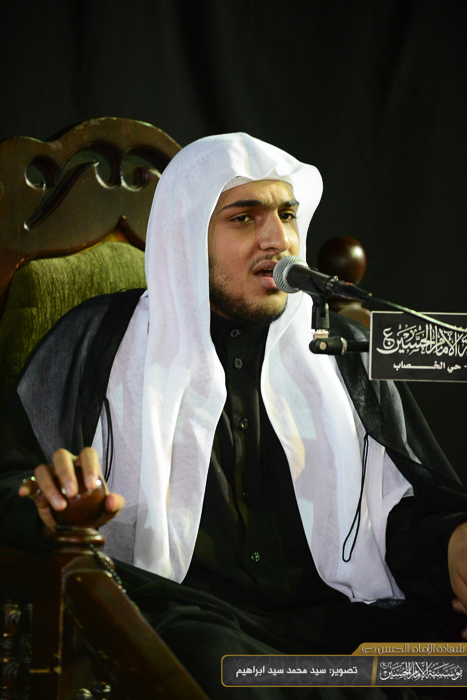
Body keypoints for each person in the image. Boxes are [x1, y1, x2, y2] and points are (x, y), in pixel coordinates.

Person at [1, 133, 467, 699]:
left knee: (451, 664)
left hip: (345, 632)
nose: (279, 240)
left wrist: (451, 544)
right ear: (185, 237)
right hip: (201, 630)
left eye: (287, 215)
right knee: (220, 667)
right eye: (244, 218)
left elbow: (390, 511)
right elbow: (13, 483)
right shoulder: (99, 341)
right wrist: (49, 504)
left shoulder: (339, 350)